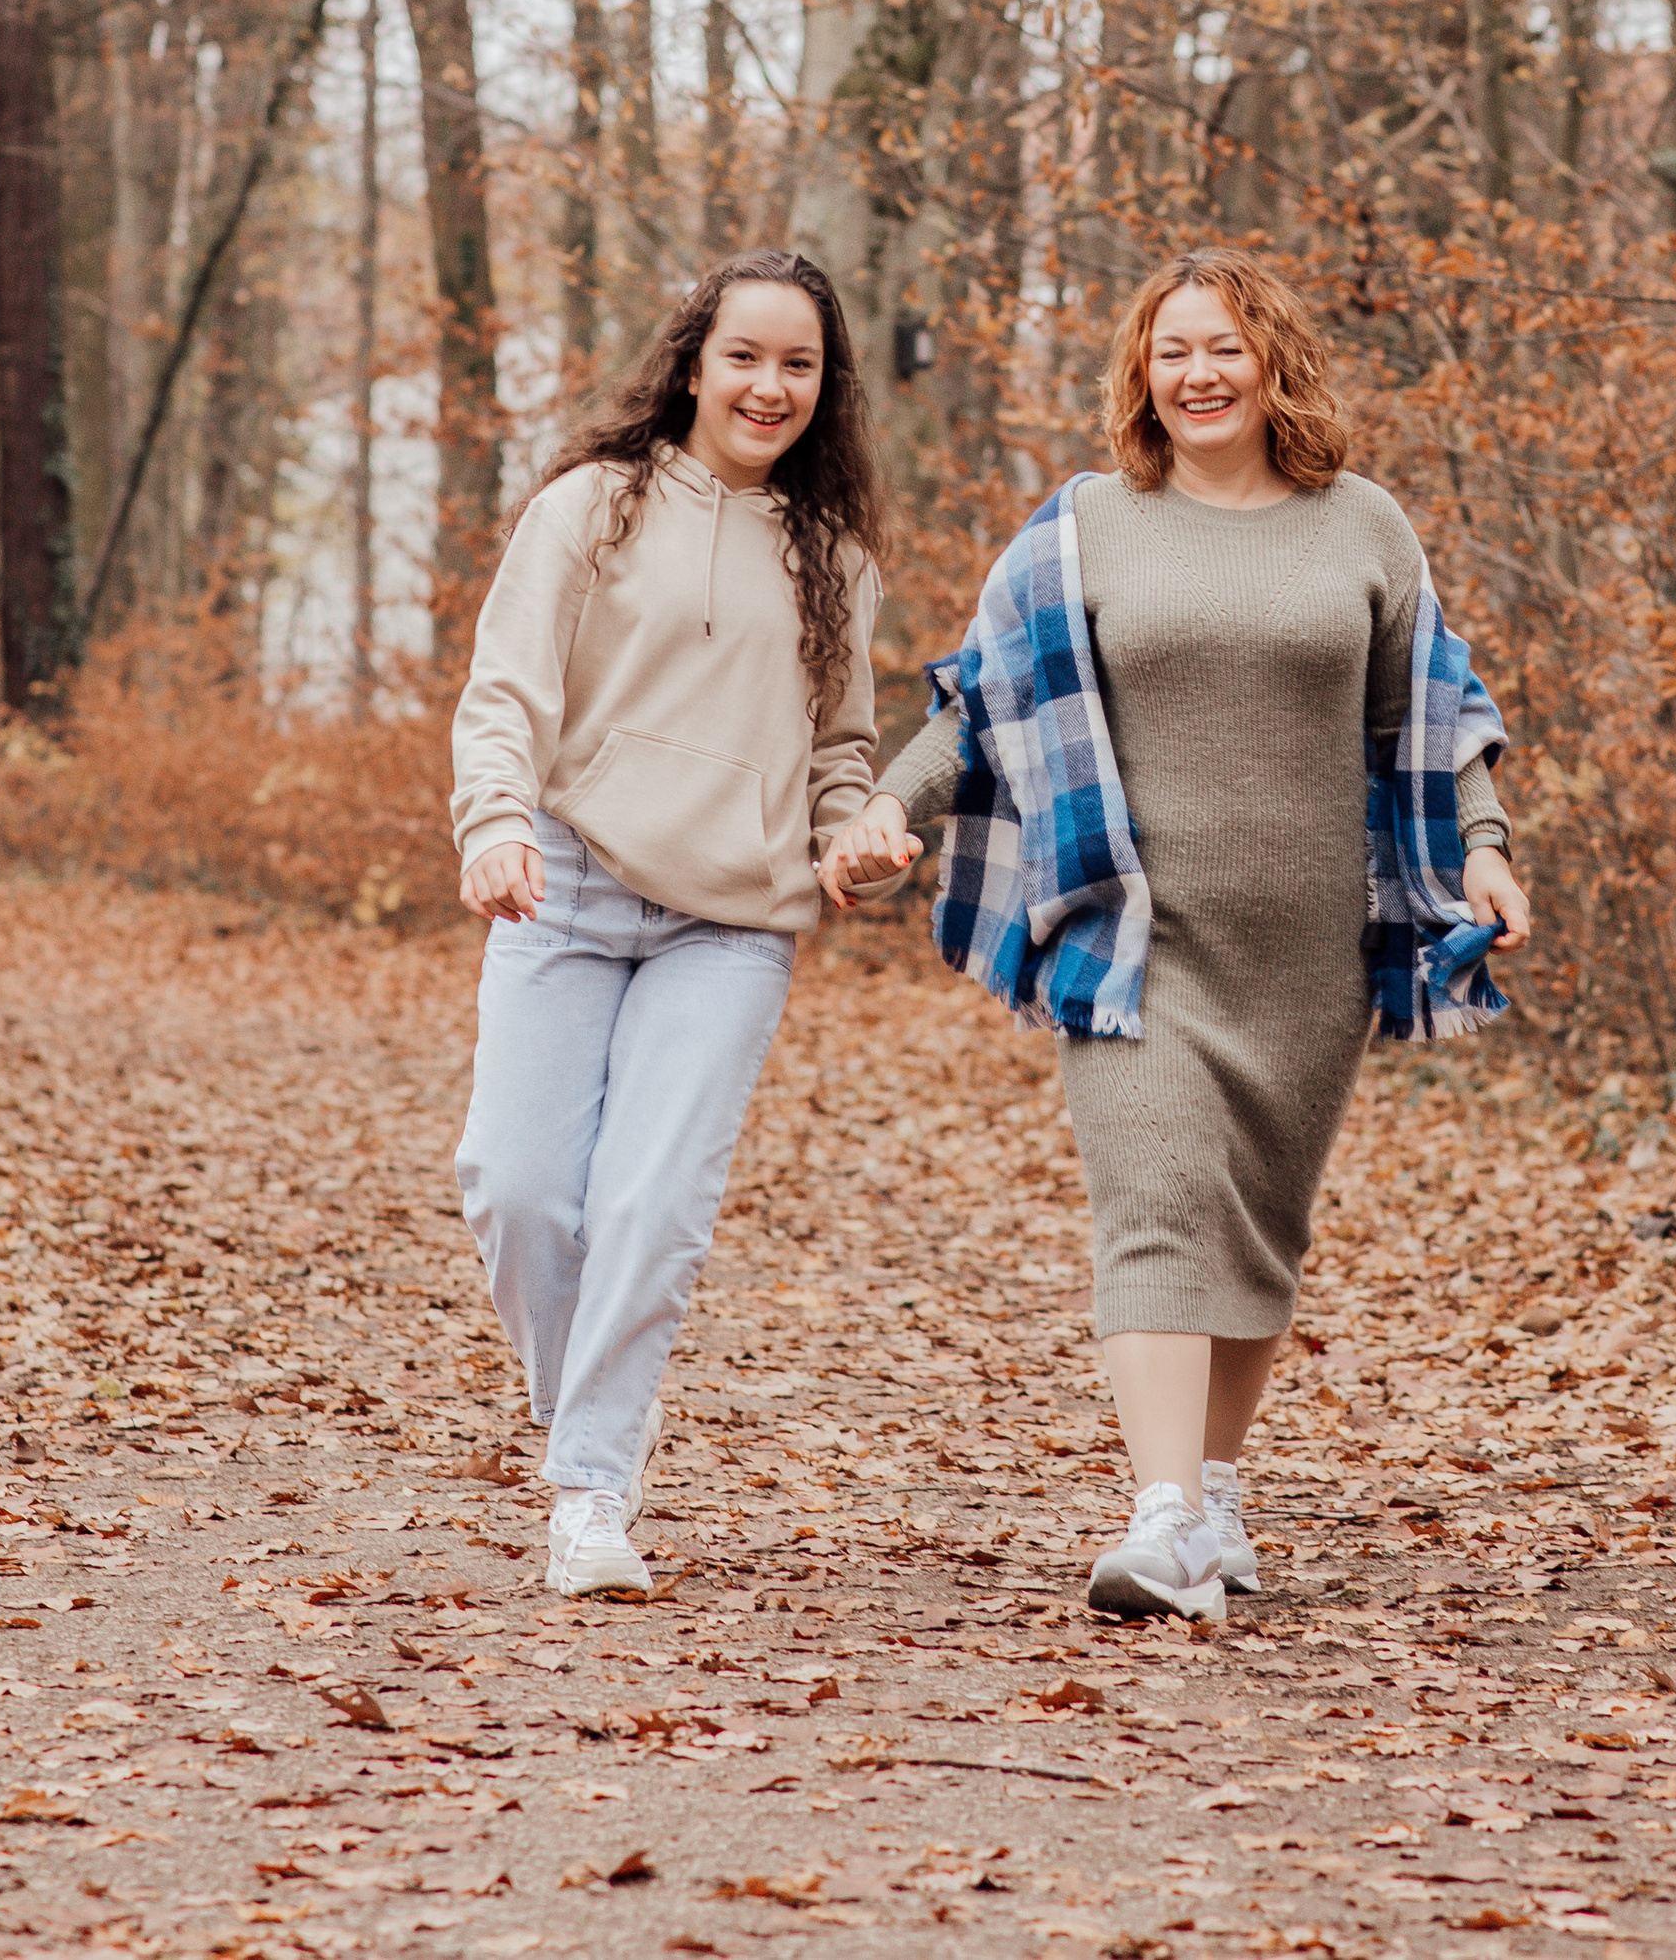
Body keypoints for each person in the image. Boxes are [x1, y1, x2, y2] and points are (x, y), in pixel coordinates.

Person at [817, 248, 1530, 1627]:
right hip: (1130, 931)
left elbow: (1437, 716)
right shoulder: (1086, 525)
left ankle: (1212, 1487)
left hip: (1315, 955)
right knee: (1154, 1203)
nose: (1198, 373)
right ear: (1142, 374)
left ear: (1273, 363)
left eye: (1224, 347)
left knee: (1256, 1230)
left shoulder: (1363, 526)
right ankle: (1160, 1520)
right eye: (1172, 350)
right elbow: (981, 705)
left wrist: (1489, 851)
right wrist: (883, 815)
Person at [451, 251, 883, 1599]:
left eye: (798, 364)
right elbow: (507, 688)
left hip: (730, 923)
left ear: (825, 387)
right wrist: (495, 821)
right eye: (745, 355)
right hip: (565, 883)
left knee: (651, 1205)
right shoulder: (590, 508)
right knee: (514, 1187)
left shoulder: (834, 558)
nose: (769, 385)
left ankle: (591, 1483)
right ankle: (582, 1396)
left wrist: (849, 834)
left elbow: (843, 751)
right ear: (693, 362)